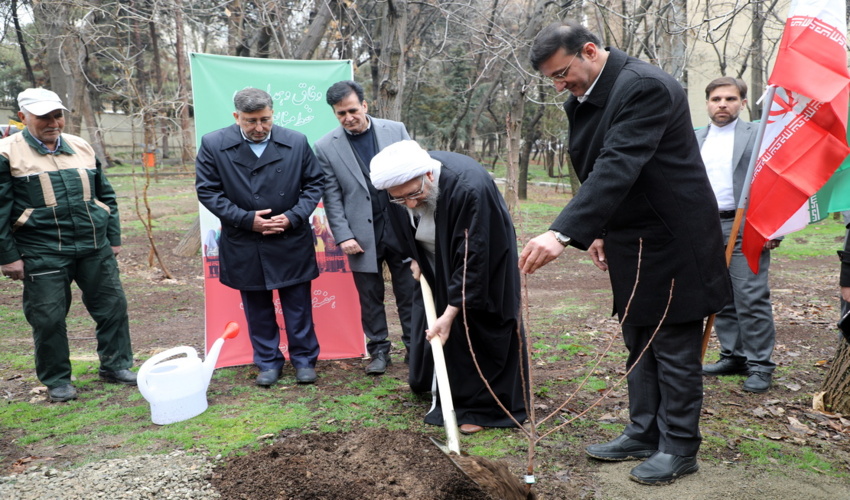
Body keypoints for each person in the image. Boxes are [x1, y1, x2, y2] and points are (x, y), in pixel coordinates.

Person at [519, 21, 731, 485]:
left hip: (673, 238)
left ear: (589, 50)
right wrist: (597, 229)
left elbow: (619, 163)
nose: (559, 86)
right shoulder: (592, 92)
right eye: (551, 79)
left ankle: (679, 447)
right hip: (631, 237)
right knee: (638, 339)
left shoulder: (644, 86)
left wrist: (562, 232)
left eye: (561, 73)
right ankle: (643, 432)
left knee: (672, 345)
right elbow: (596, 164)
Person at [370, 140, 528, 435]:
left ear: (429, 175)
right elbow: (395, 225)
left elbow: (475, 257)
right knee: (435, 321)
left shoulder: (469, 188)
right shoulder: (394, 187)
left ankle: (484, 407)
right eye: (400, 199)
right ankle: (438, 384)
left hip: (484, 260)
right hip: (433, 257)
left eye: (414, 194)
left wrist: (453, 309)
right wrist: (413, 256)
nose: (411, 204)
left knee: (476, 322)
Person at [0, 88, 136, 403]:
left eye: (57, 115)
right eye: (43, 117)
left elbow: (106, 196)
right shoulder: (7, 153)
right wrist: (7, 256)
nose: (53, 122)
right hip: (41, 250)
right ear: (22, 117)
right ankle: (58, 379)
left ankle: (116, 365)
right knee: (47, 317)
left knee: (113, 306)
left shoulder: (81, 146)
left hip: (94, 245)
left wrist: (113, 238)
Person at [195, 88, 324, 386]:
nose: (259, 127)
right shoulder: (214, 144)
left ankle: (305, 360)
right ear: (236, 116)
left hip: (290, 238)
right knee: (257, 307)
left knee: (298, 305)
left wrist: (293, 217)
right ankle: (267, 362)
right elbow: (208, 190)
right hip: (244, 239)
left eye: (265, 120)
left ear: (272, 113)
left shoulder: (296, 141)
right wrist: (246, 220)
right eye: (250, 121)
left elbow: (314, 183)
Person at [314, 80, 419, 375]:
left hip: (401, 228)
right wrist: (343, 235)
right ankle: (379, 351)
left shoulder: (396, 130)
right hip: (360, 235)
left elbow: (416, 174)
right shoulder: (325, 146)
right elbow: (331, 196)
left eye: (352, 110)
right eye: (341, 113)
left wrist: (419, 222)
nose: (348, 118)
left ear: (364, 105)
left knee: (409, 292)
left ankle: (415, 349)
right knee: (370, 297)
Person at [696, 77, 779, 393]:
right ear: (707, 103)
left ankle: (760, 365)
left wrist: (773, 227)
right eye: (716, 99)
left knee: (751, 296)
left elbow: (775, 180)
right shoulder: (694, 138)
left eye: (730, 99)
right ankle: (734, 356)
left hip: (747, 225)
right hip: (705, 227)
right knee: (721, 295)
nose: (722, 104)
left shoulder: (758, 135)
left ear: (743, 103)